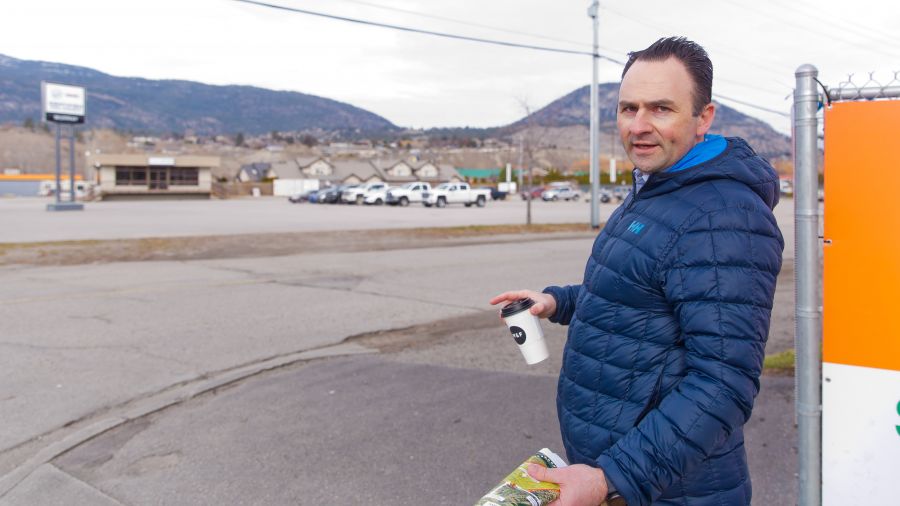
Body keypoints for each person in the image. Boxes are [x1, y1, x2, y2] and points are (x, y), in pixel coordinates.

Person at [490, 36, 784, 506]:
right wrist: (558, 302)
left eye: (661, 109)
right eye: (628, 109)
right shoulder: (661, 185)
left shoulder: (725, 215)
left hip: (670, 486)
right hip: (623, 470)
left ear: (703, 118)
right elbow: (637, 293)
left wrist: (611, 477)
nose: (639, 126)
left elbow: (723, 383)